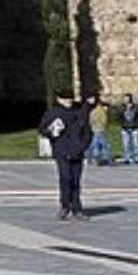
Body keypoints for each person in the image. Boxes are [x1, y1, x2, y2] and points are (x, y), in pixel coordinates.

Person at [39, 93, 93, 221]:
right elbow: (42, 129)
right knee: (65, 179)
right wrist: (53, 132)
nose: (68, 101)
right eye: (65, 99)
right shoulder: (53, 113)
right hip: (62, 151)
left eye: (70, 98)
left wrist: (83, 145)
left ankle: (77, 208)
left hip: (77, 151)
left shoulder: (79, 112)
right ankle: (65, 206)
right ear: (59, 99)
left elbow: (87, 131)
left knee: (76, 181)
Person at [86, 95, 112, 165]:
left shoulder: (93, 111)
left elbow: (91, 121)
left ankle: (93, 158)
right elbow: (104, 121)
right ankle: (103, 158)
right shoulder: (101, 111)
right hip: (100, 129)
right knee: (102, 144)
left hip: (95, 129)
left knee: (95, 144)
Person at [119, 94, 138, 165]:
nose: (125, 100)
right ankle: (126, 158)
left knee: (136, 144)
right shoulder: (122, 108)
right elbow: (119, 117)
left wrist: (136, 123)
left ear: (130, 99)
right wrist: (122, 124)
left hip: (134, 128)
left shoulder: (136, 107)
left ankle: (137, 158)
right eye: (124, 98)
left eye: (126, 98)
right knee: (125, 145)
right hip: (125, 128)